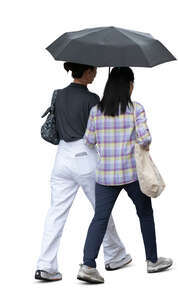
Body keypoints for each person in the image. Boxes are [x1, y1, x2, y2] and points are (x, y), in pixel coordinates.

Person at [35, 62, 131, 282]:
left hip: (61, 158)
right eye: (94, 71)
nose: (96, 74)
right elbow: (99, 133)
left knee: (56, 213)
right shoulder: (92, 100)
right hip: (86, 158)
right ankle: (115, 255)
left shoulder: (58, 95)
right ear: (87, 72)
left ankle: (45, 266)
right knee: (101, 210)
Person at [77, 67, 172, 284]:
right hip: (131, 174)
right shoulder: (135, 109)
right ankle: (152, 261)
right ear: (129, 85)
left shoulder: (95, 111)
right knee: (145, 214)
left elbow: (89, 141)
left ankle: (88, 265)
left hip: (105, 176)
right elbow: (145, 139)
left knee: (99, 219)